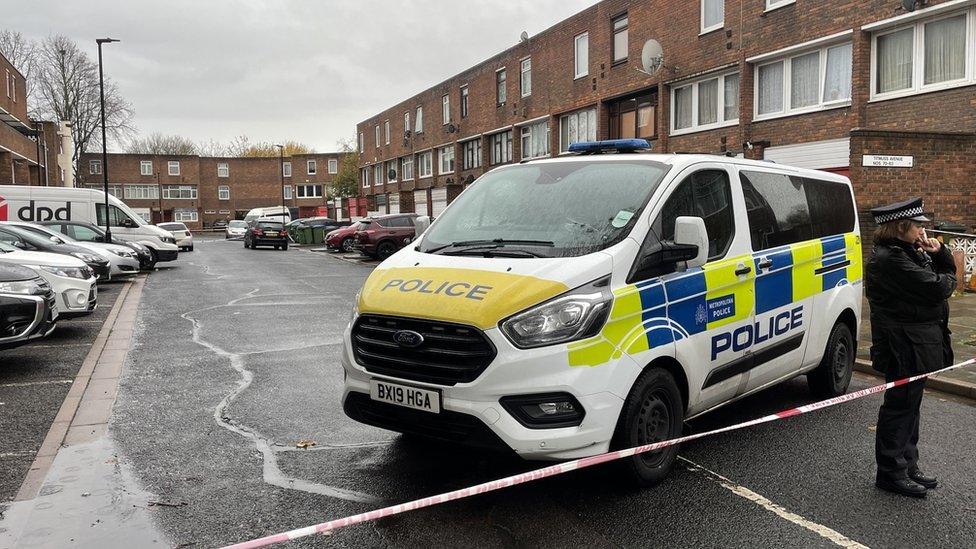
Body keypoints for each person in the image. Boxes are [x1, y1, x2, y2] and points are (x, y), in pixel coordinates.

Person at [865, 197, 956, 499]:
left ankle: (907, 464)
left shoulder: (906, 252)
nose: (922, 232)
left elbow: (935, 283)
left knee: (911, 406)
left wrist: (939, 252)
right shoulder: (890, 260)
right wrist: (948, 275)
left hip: (916, 343)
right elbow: (937, 288)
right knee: (899, 407)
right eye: (917, 226)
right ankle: (890, 472)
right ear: (901, 226)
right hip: (903, 345)